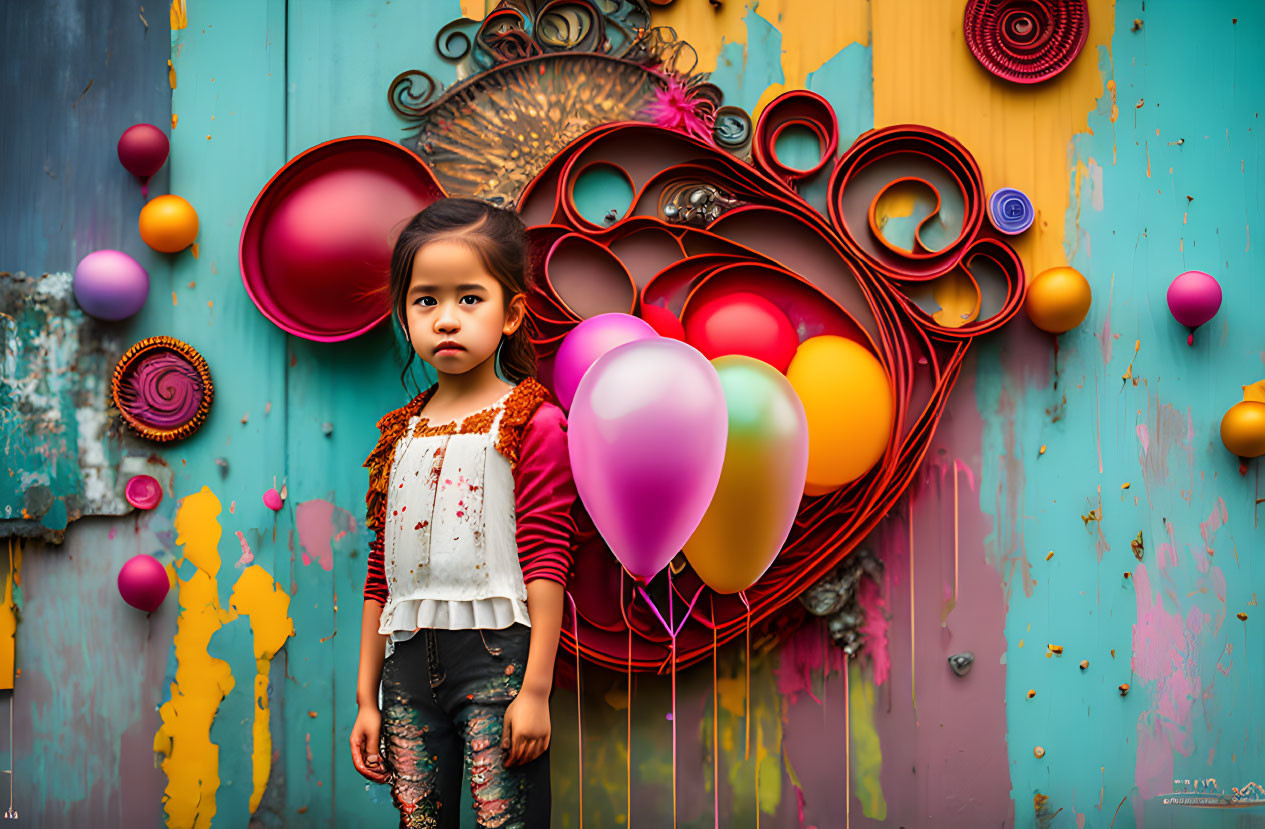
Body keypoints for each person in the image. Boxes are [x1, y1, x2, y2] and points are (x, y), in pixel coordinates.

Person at [350, 197, 578, 828]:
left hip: (498, 663)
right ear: (404, 314)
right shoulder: (399, 435)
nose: (446, 319)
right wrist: (366, 697)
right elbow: (381, 573)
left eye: (469, 299)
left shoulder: (532, 422)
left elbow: (547, 559)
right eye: (426, 300)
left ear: (512, 313)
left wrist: (536, 691)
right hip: (404, 672)